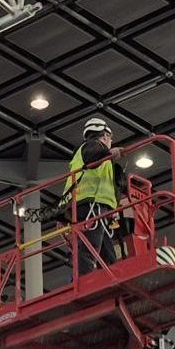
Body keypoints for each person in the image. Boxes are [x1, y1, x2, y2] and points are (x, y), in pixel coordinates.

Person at [62, 115, 123, 272]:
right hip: (90, 205)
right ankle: (86, 279)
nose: (111, 142)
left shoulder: (96, 156)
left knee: (107, 252)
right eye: (110, 138)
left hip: (92, 207)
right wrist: (110, 153)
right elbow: (92, 158)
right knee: (90, 247)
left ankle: (110, 275)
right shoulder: (93, 147)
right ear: (105, 135)